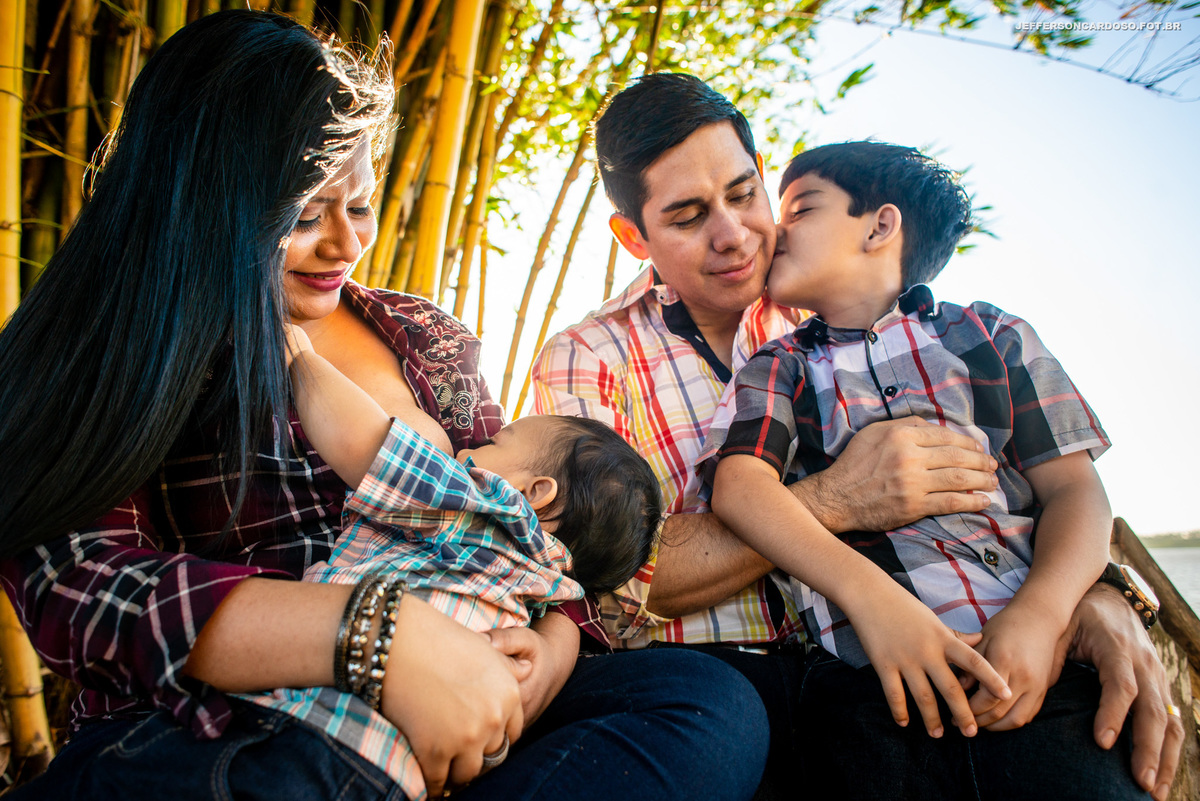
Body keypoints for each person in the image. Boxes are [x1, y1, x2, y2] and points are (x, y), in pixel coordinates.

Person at [0, 15, 768, 801]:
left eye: (359, 207)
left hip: (459, 731)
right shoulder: (123, 342)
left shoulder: (424, 336)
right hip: (250, 731)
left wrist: (541, 661)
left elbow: (534, 525)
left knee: (705, 703)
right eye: (303, 216)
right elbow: (82, 585)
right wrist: (374, 640)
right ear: (206, 204)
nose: (344, 243)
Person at [531, 72, 1183, 801]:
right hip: (758, 680)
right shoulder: (592, 357)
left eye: (746, 194)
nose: (735, 233)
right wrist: (840, 498)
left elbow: (1044, 487)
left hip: (979, 653)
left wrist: (1088, 598)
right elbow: (618, 572)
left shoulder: (865, 310)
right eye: (687, 217)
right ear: (633, 236)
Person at [701, 140, 1145, 798]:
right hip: (867, 693)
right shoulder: (779, 366)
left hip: (1039, 673)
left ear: (880, 225)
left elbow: (1077, 491)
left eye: (800, 208)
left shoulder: (992, 334)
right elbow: (741, 487)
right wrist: (873, 599)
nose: (773, 229)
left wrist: (1044, 614)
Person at [240, 327, 661, 800]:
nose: (466, 451)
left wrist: (300, 359)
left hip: (318, 729)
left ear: (535, 493)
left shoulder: (487, 505)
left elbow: (363, 444)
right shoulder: (543, 586)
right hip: (399, 772)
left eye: (495, 444)